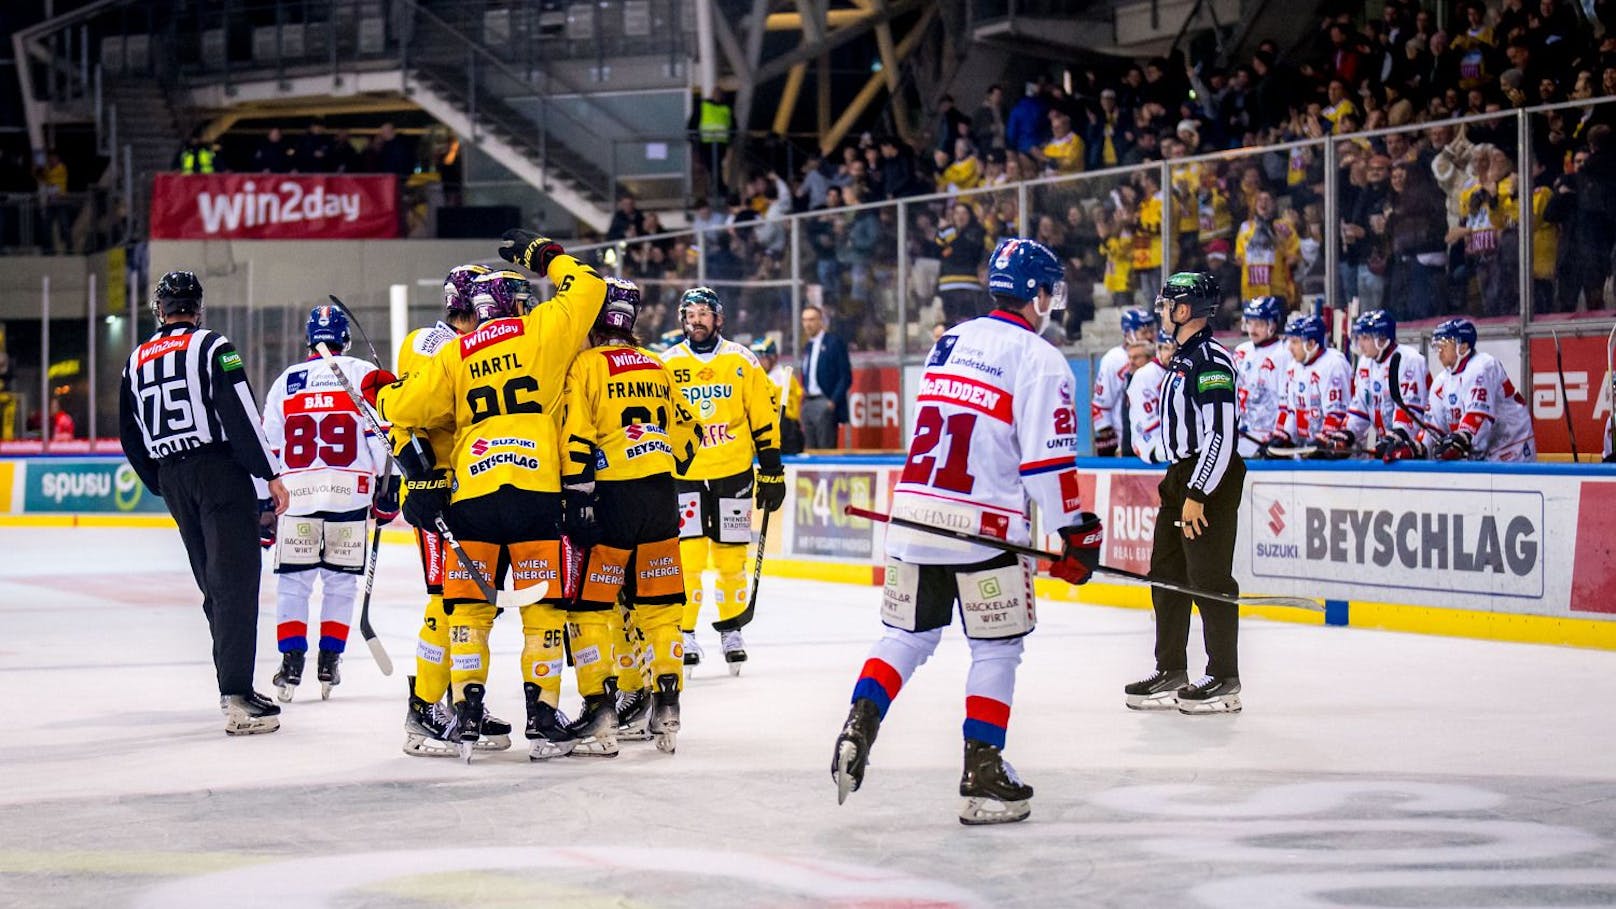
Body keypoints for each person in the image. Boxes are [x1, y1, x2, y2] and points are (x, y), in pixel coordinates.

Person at [831, 238, 1103, 825]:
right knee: (997, 647)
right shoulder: (1040, 358)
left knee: (906, 639)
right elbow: (1047, 467)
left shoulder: (949, 341)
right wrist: (1075, 533)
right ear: (1036, 294)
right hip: (984, 529)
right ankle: (981, 774)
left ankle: (859, 722)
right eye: (1050, 291)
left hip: (914, 515)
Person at [373, 232, 607, 761]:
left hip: (470, 495)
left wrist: (381, 393)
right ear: (516, 305)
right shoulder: (543, 332)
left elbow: (403, 409)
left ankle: (466, 713)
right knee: (543, 609)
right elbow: (589, 288)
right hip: (534, 493)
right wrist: (548, 257)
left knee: (468, 611)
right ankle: (543, 717)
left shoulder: (455, 352)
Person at [118, 271, 290, 735]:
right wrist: (269, 472)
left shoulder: (134, 361)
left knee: (213, 585)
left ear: (160, 310)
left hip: (175, 478)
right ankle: (236, 696)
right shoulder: (215, 347)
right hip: (218, 473)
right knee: (234, 581)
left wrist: (160, 481)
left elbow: (129, 433)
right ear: (198, 308)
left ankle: (232, 685)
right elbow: (240, 411)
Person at [559, 277, 701, 752]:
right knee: (661, 611)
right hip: (661, 495)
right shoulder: (656, 365)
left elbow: (576, 434)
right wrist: (665, 461)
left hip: (612, 498)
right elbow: (690, 432)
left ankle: (600, 711)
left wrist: (578, 495)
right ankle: (668, 707)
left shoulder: (586, 365)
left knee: (590, 608)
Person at [392, 264, 514, 757]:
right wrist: (419, 479)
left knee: (471, 603)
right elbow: (409, 414)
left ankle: (461, 701)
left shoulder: (464, 347)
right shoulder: (430, 344)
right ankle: (423, 710)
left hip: (471, 488)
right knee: (448, 600)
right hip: (438, 489)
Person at [257, 305, 394, 703]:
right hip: (349, 495)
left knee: (293, 584)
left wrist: (264, 507)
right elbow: (382, 440)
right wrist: (388, 493)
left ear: (307, 340)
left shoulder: (286, 380)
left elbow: (271, 447)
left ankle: (291, 663)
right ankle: (329, 662)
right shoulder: (362, 374)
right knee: (341, 584)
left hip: (297, 496)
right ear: (345, 338)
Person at [1124, 272, 1245, 715]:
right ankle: (1171, 668)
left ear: (1185, 310)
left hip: (1206, 478)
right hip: (1180, 477)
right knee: (1167, 575)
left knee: (1209, 580)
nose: (1161, 312)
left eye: (1167, 304)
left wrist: (1198, 490)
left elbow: (1221, 434)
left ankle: (1223, 677)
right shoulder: (1181, 359)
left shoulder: (1210, 360)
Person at [661, 287, 784, 672]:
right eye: (690, 313)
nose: (696, 320)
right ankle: (686, 632)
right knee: (689, 558)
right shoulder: (666, 364)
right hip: (686, 474)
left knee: (731, 559)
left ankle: (731, 629)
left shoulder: (742, 361)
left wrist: (772, 470)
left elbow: (763, 417)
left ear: (718, 319)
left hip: (733, 472)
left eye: (704, 313)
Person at [1425, 318, 1537, 462]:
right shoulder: (1441, 382)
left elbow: (1478, 416)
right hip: (1483, 453)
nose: (1439, 352)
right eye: (1437, 347)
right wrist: (1419, 447)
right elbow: (1434, 427)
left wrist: (1462, 437)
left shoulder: (1483, 366)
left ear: (1463, 347)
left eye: (1444, 346)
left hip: (1511, 447)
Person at [1329, 310, 1431, 461]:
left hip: (1414, 448)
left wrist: (1396, 437)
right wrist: (1348, 433)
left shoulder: (1409, 360)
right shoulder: (1365, 362)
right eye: (1359, 338)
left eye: (1365, 338)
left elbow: (1411, 410)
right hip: (1388, 446)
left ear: (1382, 339)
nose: (1360, 344)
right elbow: (1360, 407)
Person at [1272, 313, 1351, 449]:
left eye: (1295, 342)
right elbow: (1293, 411)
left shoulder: (1333, 364)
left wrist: (1326, 438)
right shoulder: (1294, 366)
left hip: (1335, 451)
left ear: (1311, 344)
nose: (1290, 348)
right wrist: (1284, 436)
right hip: (1308, 447)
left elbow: (1337, 412)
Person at [1092, 308, 1159, 456]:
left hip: (1157, 441)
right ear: (1128, 333)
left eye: (1151, 330)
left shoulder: (1160, 355)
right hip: (1126, 444)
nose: (1149, 336)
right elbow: (1100, 406)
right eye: (1144, 331)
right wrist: (1109, 446)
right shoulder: (1113, 359)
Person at [1232, 296, 1291, 458]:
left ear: (1272, 325)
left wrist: (1280, 434)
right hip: (1242, 434)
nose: (1252, 329)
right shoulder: (1241, 351)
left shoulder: (1283, 354)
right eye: (1250, 323)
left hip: (1268, 435)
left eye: (1259, 324)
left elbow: (1286, 401)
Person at [798, 305, 850, 450]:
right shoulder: (808, 346)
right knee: (810, 448)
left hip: (824, 401)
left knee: (825, 448)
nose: (807, 324)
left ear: (821, 321)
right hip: (808, 402)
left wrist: (832, 401)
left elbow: (845, 376)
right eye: (804, 320)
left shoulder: (833, 342)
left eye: (812, 319)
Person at [1126, 330, 1176, 463]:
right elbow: (1149, 422)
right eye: (1166, 348)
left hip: (1173, 437)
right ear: (1158, 350)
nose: (1171, 353)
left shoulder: (1179, 371)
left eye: (1175, 348)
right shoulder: (1145, 375)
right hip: (1149, 441)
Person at [753, 338, 804, 454]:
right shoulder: (772, 376)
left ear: (773, 357)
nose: (758, 361)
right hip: (781, 431)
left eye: (761, 357)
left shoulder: (777, 379)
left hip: (785, 433)